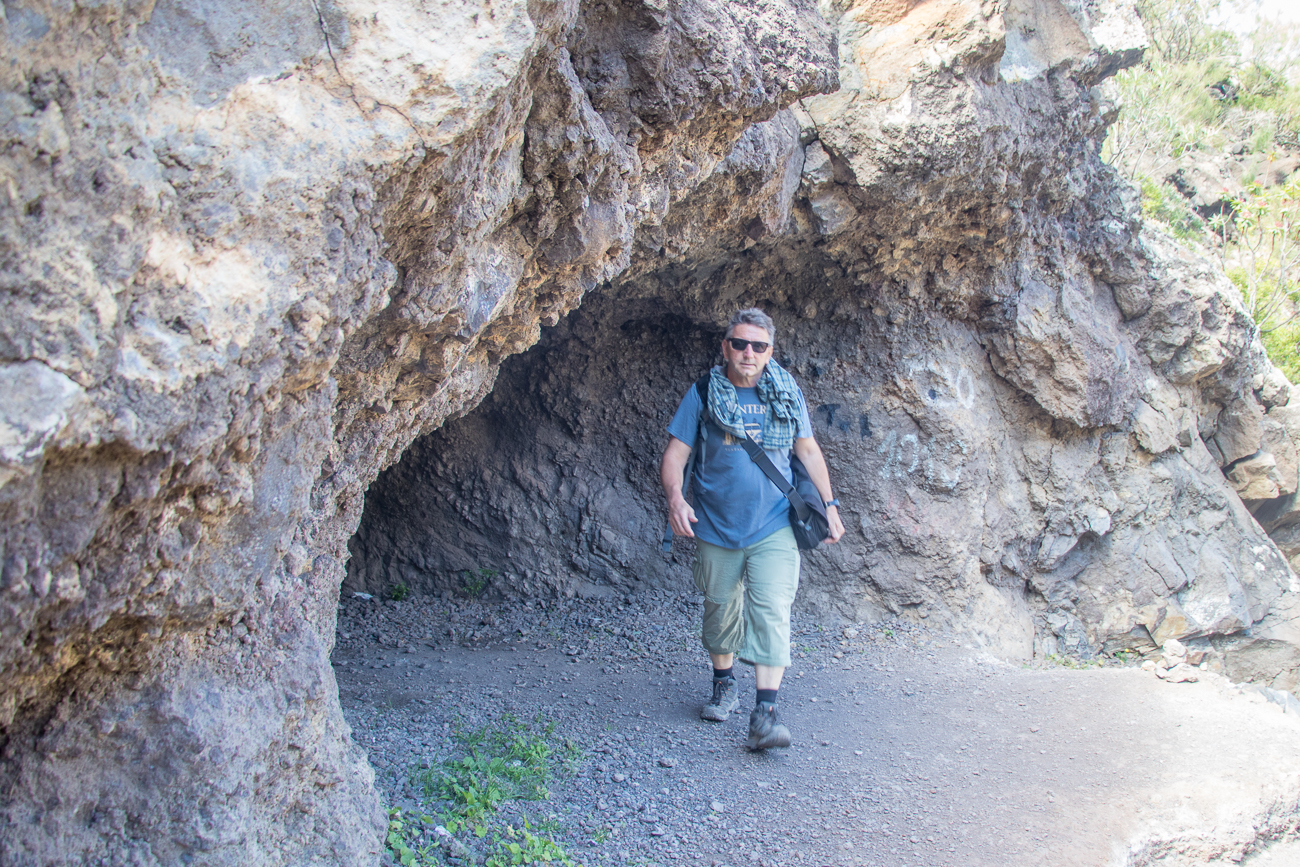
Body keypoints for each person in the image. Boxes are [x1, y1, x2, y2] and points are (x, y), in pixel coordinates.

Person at [660, 308, 845, 749]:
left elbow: (808, 450)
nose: (748, 352)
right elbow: (675, 454)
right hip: (716, 525)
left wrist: (831, 505)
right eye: (739, 344)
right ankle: (724, 683)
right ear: (725, 347)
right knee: (720, 607)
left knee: (772, 608)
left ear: (770, 352)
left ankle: (765, 712)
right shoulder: (704, 392)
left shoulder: (786, 393)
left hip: (775, 524)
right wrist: (675, 498)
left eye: (758, 346)